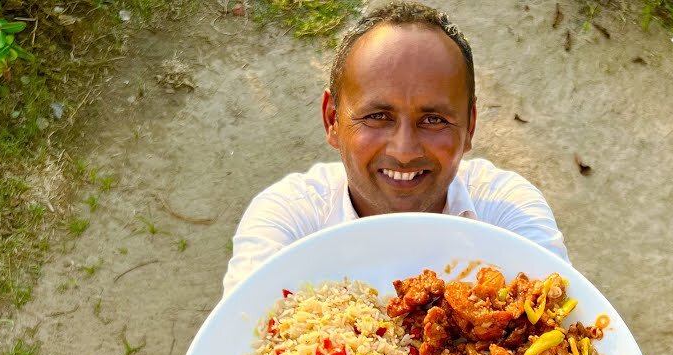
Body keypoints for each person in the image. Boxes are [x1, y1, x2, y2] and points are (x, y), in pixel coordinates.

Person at [222, 2, 571, 295]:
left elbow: (562, 315)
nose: (404, 150)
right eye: (377, 116)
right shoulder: (290, 221)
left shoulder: (507, 214)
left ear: (470, 126)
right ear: (332, 119)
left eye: (433, 120)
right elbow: (236, 341)